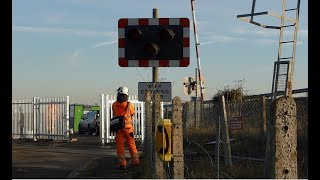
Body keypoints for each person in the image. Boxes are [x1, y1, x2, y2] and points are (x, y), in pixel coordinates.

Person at [112, 86, 140, 170]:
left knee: (120, 146)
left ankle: (122, 164)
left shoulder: (114, 105)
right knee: (131, 145)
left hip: (118, 129)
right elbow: (132, 114)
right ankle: (135, 162)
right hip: (128, 129)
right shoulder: (130, 105)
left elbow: (114, 113)